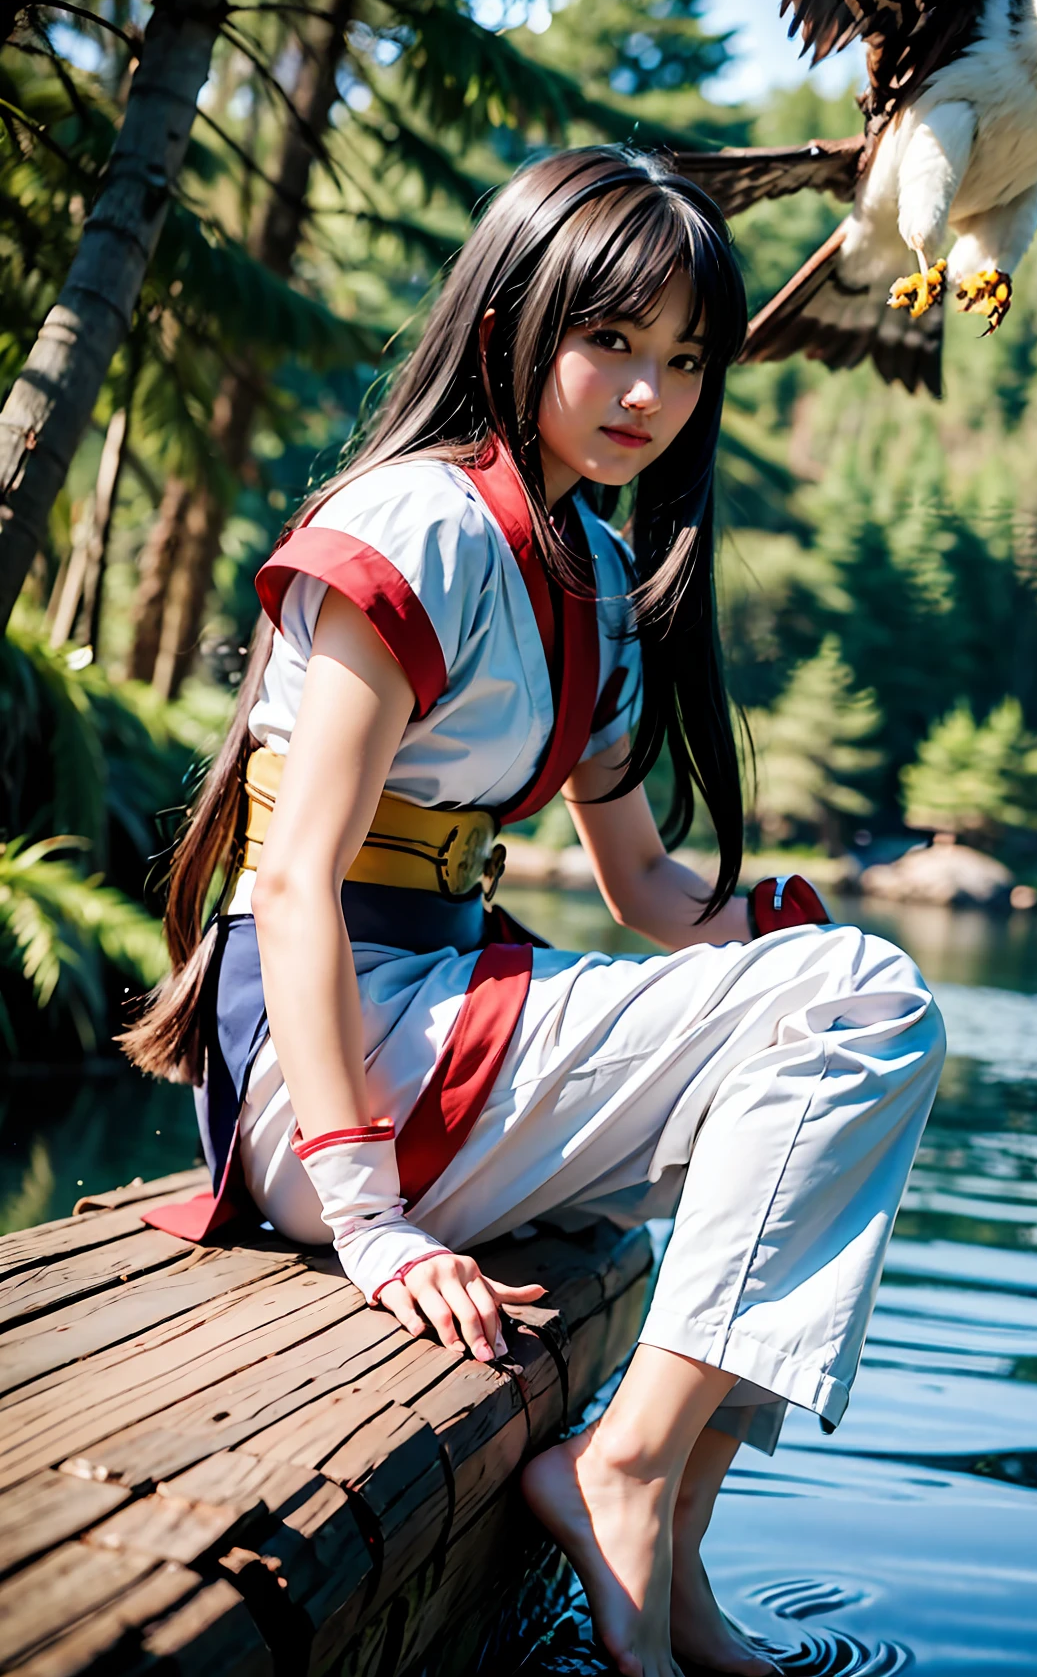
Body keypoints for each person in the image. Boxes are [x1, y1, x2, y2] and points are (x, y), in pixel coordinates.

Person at [124, 148, 945, 1677]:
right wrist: (366, 1219)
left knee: (842, 1023)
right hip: (337, 1091)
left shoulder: (593, 570)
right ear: (512, 317)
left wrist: (764, 927)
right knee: (872, 1004)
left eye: (687, 358)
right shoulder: (417, 523)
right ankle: (623, 1474)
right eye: (612, 342)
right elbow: (291, 878)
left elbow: (643, 891)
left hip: (440, 1040)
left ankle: (673, 1533)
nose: (649, 393)